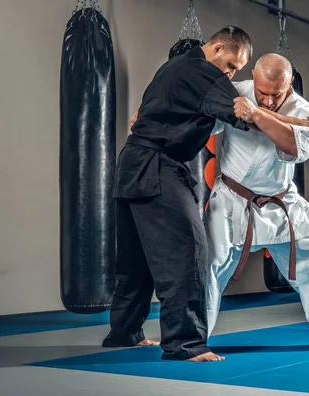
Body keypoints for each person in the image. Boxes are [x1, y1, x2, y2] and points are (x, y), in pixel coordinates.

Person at [102, 26, 254, 362]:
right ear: (215, 49)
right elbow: (240, 114)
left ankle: (125, 333)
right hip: (158, 166)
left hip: (130, 164)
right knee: (188, 251)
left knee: (135, 259)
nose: (230, 74)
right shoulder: (202, 71)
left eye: (236, 71)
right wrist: (289, 121)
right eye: (230, 64)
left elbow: (144, 115)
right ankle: (186, 344)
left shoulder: (173, 66)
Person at [204, 53, 309, 352]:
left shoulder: (306, 112)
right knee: (207, 266)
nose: (267, 100)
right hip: (232, 199)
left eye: (275, 94)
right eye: (262, 93)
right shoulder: (233, 94)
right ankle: (192, 341)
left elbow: (293, 144)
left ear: (290, 82)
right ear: (252, 76)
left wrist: (256, 115)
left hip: (280, 201)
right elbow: (198, 120)